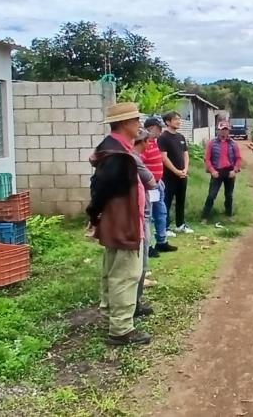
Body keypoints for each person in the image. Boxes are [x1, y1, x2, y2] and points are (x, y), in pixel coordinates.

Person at [86, 102, 154, 346]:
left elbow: (100, 188)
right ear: (125, 123)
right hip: (124, 221)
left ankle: (111, 316)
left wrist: (96, 215)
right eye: (136, 120)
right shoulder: (119, 156)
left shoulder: (113, 149)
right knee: (126, 274)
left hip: (118, 220)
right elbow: (100, 189)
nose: (139, 124)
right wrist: (94, 214)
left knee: (114, 270)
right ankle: (121, 330)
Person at [141, 117, 178, 256]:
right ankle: (148, 246)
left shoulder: (155, 143)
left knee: (161, 213)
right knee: (148, 217)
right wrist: (150, 181)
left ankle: (161, 242)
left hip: (158, 184)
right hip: (149, 186)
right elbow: (141, 166)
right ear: (150, 128)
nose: (161, 131)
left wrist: (159, 180)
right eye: (158, 128)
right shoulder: (143, 145)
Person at [132, 129, 156, 317]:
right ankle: (134, 304)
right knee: (140, 263)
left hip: (137, 215)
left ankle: (133, 303)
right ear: (143, 142)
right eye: (147, 141)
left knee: (137, 263)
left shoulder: (130, 158)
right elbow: (151, 182)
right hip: (139, 217)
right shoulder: (134, 159)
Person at [158, 111, 194, 234]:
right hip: (169, 176)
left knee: (181, 201)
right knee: (166, 202)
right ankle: (165, 227)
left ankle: (180, 224)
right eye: (176, 119)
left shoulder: (181, 137)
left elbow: (186, 154)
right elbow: (164, 158)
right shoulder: (163, 138)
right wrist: (176, 171)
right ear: (168, 122)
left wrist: (185, 169)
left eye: (179, 119)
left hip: (182, 175)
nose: (179, 121)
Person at [201, 120, 242, 223]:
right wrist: (212, 171)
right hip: (217, 171)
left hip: (229, 171)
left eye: (226, 130)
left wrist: (235, 170)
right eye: (222, 130)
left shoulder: (233, 144)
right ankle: (205, 217)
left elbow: (238, 158)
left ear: (228, 131)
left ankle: (228, 215)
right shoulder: (212, 143)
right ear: (218, 130)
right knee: (211, 195)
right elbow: (207, 159)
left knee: (229, 195)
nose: (224, 132)